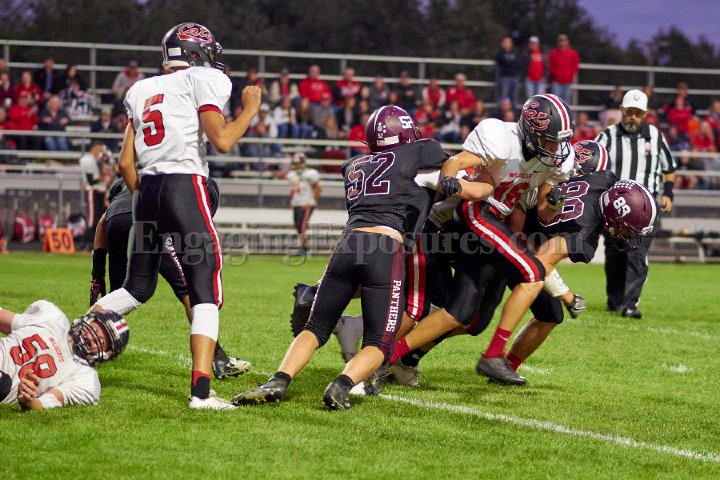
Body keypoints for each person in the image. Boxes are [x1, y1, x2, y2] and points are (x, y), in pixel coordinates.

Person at [232, 105, 489, 410]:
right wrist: (490, 183)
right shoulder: (422, 154)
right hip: (385, 248)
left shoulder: (354, 165)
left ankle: (278, 380)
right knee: (379, 343)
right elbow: (471, 188)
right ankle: (342, 385)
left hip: (347, 244)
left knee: (315, 328)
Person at [90, 22, 262, 410]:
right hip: (184, 184)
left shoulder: (141, 89)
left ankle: (71, 341)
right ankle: (201, 392)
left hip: (146, 190)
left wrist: (147, 198)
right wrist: (251, 109)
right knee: (205, 292)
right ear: (196, 53)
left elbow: (125, 162)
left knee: (135, 289)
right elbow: (222, 140)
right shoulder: (205, 78)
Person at [390, 94, 575, 385]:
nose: (556, 148)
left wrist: (554, 203)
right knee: (532, 273)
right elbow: (455, 162)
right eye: (549, 140)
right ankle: (493, 356)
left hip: (498, 224)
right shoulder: (501, 139)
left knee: (471, 318)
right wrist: (450, 180)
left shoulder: (553, 161)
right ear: (530, 132)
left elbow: (543, 211)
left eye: (559, 141)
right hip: (474, 213)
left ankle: (397, 358)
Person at [90, 179, 251, 379]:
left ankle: (81, 341)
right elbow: (194, 224)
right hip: (151, 223)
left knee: (120, 296)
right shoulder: (198, 183)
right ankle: (218, 359)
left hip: (116, 223)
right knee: (190, 291)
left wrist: (97, 274)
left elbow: (102, 222)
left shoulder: (129, 181)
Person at [595, 89, 676, 318]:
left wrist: (668, 193)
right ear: (622, 110)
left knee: (636, 253)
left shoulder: (656, 136)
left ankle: (630, 305)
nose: (633, 117)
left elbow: (669, 168)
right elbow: (592, 163)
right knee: (614, 255)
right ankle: (614, 301)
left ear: (645, 114)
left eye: (638, 113)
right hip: (614, 208)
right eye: (629, 111)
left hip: (646, 208)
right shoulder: (607, 135)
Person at [0, 301, 129, 410]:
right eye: (95, 329)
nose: (93, 338)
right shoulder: (53, 317)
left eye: (102, 341)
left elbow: (46, 403)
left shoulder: (86, 379)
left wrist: (29, 400)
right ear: (89, 319)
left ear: (107, 354)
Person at [285, 153, 321, 252]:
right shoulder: (292, 175)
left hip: (306, 203)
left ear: (303, 163)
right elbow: (293, 190)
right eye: (295, 163)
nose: (297, 165)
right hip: (297, 203)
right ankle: (303, 246)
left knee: (302, 226)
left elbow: (318, 188)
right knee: (298, 226)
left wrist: (312, 201)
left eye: (298, 163)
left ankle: (304, 248)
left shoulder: (309, 174)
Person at [548, 34, 580, 104]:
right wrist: (556, 75)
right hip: (556, 81)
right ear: (558, 42)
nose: (562, 43)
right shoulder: (553, 53)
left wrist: (569, 75)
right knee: (555, 100)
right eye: (560, 41)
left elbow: (575, 66)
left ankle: (565, 111)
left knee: (566, 100)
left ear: (567, 42)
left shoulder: (573, 53)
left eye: (564, 41)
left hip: (567, 81)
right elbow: (550, 65)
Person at [495, 36, 520, 110]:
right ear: (502, 44)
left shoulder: (515, 53)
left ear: (511, 44)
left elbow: (518, 63)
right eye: (505, 42)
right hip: (504, 78)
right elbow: (502, 62)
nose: (507, 44)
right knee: (502, 97)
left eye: (508, 42)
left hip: (514, 77)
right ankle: (500, 113)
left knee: (514, 97)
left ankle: (513, 114)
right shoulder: (499, 53)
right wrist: (511, 63)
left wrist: (509, 62)